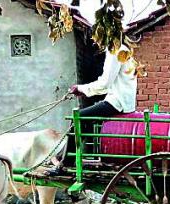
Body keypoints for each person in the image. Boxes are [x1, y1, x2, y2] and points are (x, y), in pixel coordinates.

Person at [45, 45, 139, 176]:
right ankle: (70, 157)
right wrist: (85, 91)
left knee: (79, 118)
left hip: (117, 101)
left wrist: (81, 88)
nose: (95, 41)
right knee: (86, 120)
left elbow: (105, 83)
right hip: (121, 100)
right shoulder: (123, 49)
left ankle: (66, 164)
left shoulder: (116, 51)